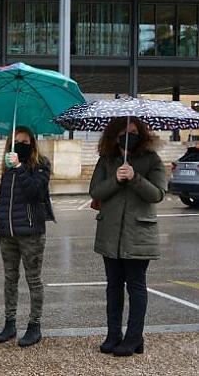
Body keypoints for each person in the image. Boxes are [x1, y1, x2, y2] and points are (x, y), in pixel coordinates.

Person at [89, 117, 166, 357]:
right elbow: (95, 191)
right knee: (113, 287)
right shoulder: (107, 160)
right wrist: (116, 179)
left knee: (136, 286)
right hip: (110, 234)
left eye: (133, 131)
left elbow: (157, 194)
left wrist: (134, 178)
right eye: (123, 132)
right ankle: (114, 335)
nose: (128, 135)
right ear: (114, 135)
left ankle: (134, 338)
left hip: (139, 234)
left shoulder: (152, 160)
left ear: (141, 134)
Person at [0, 126, 52, 348]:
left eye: (25, 141)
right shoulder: (7, 167)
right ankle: (10, 324)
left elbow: (36, 192)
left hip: (31, 231)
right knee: (10, 279)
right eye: (16, 141)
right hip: (7, 232)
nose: (21, 145)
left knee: (33, 280)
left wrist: (19, 167)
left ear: (33, 144)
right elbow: (6, 196)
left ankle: (35, 326)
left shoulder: (41, 164)